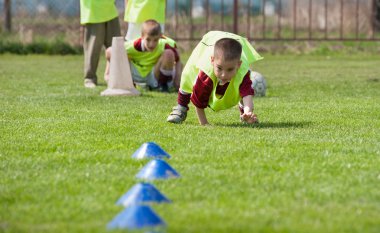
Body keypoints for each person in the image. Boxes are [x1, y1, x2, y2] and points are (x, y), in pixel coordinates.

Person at [167, 31, 263, 126]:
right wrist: (204, 124)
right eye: (219, 68)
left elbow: (247, 93)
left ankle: (244, 115)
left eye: (230, 69)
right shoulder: (206, 74)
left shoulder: (243, 71)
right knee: (188, 76)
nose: (224, 75)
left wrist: (248, 111)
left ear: (238, 65)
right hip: (209, 43)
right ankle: (181, 107)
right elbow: (199, 102)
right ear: (212, 61)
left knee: (241, 86)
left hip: (235, 43)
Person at [104, 19, 182, 92]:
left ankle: (162, 85)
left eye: (155, 40)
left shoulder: (166, 43)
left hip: (155, 73)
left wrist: (178, 79)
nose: (152, 44)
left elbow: (178, 59)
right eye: (148, 39)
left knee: (169, 53)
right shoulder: (134, 45)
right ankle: (129, 83)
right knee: (121, 53)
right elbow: (109, 51)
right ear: (142, 36)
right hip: (136, 73)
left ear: (160, 36)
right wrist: (107, 73)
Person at [80, 0, 121, 88]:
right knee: (93, 49)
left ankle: (116, 78)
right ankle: (89, 78)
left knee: (117, 46)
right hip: (93, 12)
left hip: (111, 11)